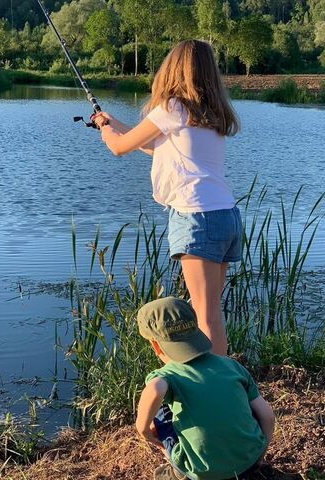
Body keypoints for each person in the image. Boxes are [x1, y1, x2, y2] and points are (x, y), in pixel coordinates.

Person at [93, 40, 241, 356]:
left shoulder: (172, 107)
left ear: (172, 70)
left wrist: (104, 129)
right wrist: (114, 123)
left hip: (196, 217)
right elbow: (158, 147)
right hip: (226, 215)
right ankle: (224, 384)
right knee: (212, 312)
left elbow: (120, 147)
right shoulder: (211, 113)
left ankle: (213, 392)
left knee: (204, 314)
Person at [135, 297, 275, 480]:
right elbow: (268, 416)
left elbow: (154, 390)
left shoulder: (166, 376)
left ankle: (178, 471)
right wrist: (259, 455)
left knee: (160, 409)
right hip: (249, 462)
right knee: (244, 401)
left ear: (155, 345)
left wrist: (143, 430)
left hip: (202, 472)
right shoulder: (232, 366)